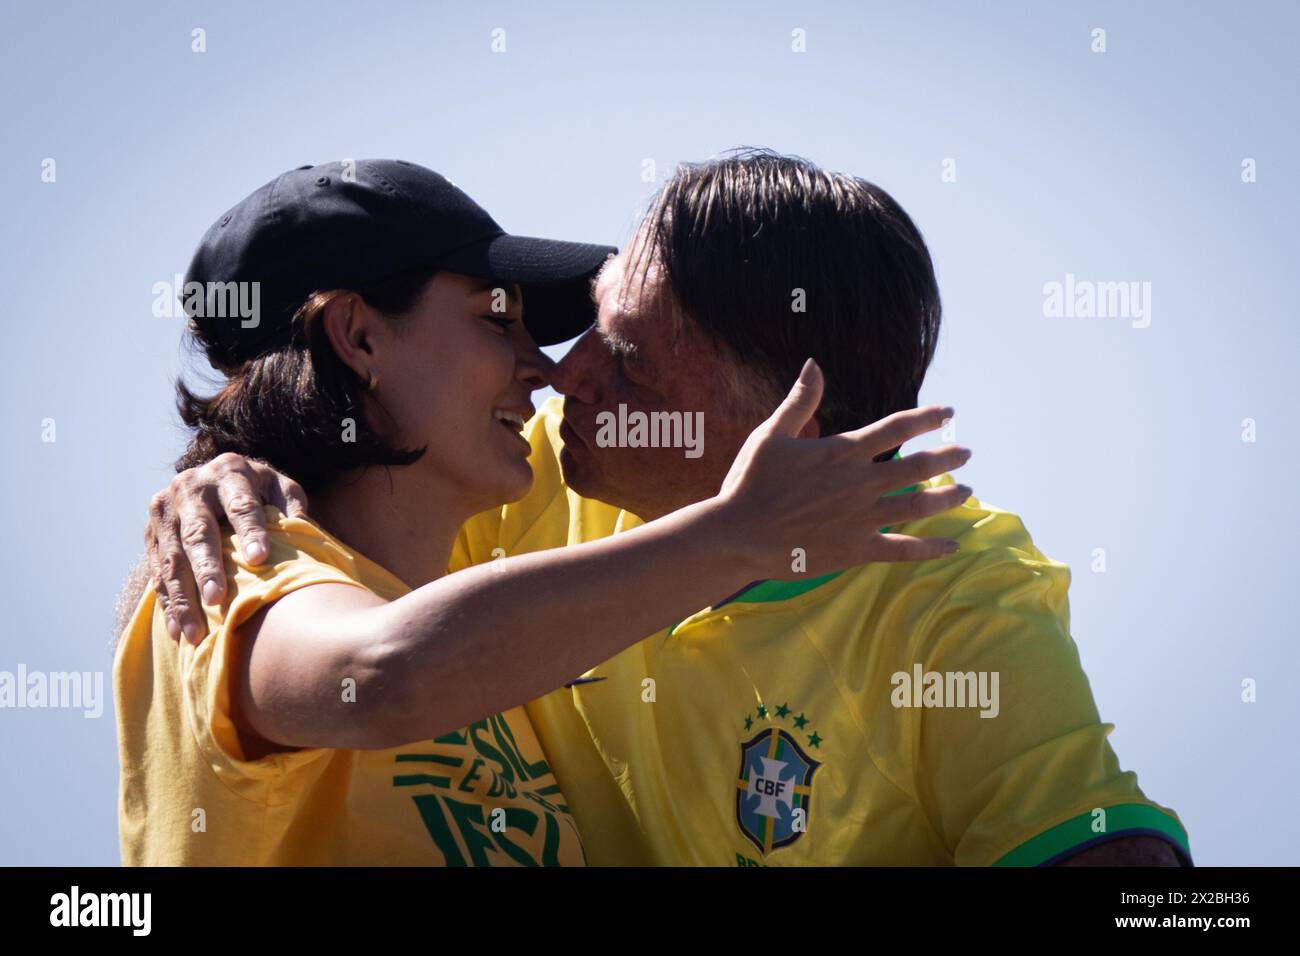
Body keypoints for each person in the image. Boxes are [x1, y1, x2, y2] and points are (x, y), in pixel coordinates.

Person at [142, 150, 1191, 866]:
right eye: (525, 323)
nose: (560, 373)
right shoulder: (288, 550)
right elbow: (382, 669)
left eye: (631, 362)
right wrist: (228, 456)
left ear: (792, 423)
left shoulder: (950, 591)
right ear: (360, 337)